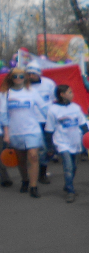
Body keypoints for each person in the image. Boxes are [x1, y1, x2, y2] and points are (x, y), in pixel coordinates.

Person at [0, 67, 46, 197]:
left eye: (21, 76)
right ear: (11, 78)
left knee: (33, 156)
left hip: (32, 129)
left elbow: (44, 108)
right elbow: (3, 115)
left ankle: (33, 186)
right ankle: (25, 180)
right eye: (15, 76)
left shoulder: (32, 92)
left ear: (25, 77)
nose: (18, 78)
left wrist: (52, 123)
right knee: (21, 159)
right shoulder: (5, 94)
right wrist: (6, 133)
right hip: (15, 131)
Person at [45, 85, 88, 203]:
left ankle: (68, 184)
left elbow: (83, 124)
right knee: (68, 167)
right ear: (62, 94)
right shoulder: (53, 109)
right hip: (62, 142)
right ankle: (70, 191)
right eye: (70, 92)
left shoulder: (76, 107)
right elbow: (49, 130)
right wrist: (50, 147)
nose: (72, 94)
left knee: (74, 167)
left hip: (76, 141)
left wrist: (87, 138)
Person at [26, 62, 56, 183]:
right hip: (30, 121)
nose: (31, 76)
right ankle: (34, 173)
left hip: (46, 120)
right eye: (29, 73)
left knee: (47, 148)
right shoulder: (24, 85)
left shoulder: (49, 83)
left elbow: (54, 100)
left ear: (39, 73)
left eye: (33, 73)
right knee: (34, 149)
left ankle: (42, 171)